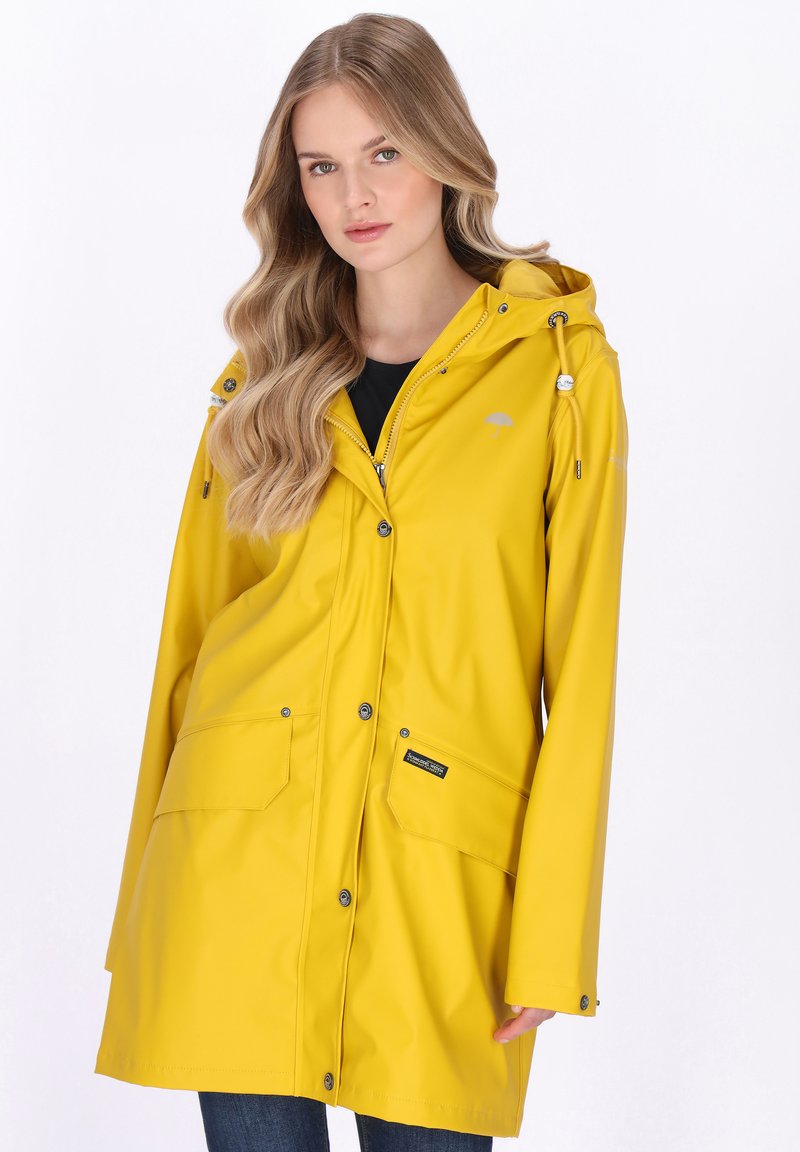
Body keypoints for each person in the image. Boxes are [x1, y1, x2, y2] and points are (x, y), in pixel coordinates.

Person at [94, 12, 629, 1150]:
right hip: (239, 868)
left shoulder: (557, 371)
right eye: (321, 166)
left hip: (438, 884)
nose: (356, 195)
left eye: (383, 151)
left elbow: (581, 667)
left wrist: (551, 932)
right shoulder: (261, 378)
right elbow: (189, 641)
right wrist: (144, 898)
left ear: (443, 148)